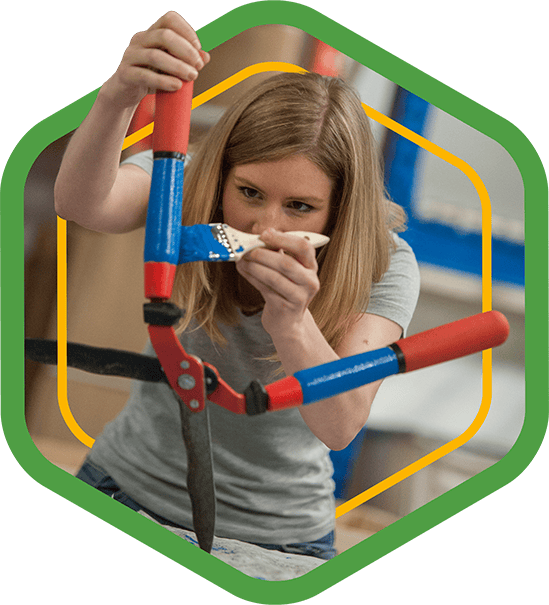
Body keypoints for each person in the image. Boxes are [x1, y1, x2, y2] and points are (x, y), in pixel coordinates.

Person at [55, 12, 420, 560]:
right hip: (123, 489)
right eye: (249, 193)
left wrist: (292, 323)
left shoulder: (385, 263)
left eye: (299, 207)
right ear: (221, 174)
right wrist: (117, 96)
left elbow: (340, 423)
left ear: (340, 212)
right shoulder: (185, 184)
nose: (266, 227)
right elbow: (82, 203)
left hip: (278, 536)